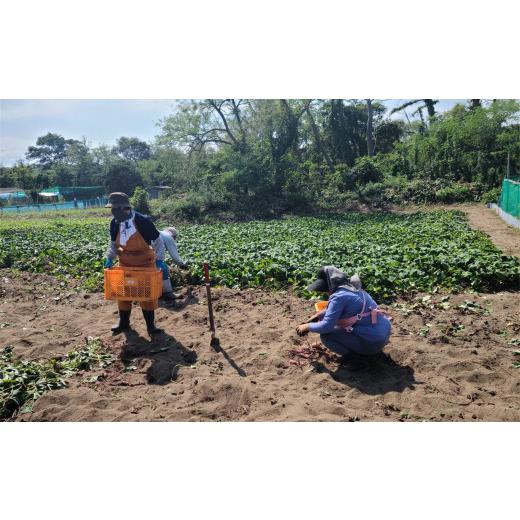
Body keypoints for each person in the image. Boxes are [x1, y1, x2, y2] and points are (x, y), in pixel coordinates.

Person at [296, 265, 391, 363]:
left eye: (324, 289)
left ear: (329, 286)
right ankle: (363, 351)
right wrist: (317, 316)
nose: (324, 293)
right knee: (338, 326)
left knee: (326, 336)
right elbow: (334, 310)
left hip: (373, 343)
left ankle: (356, 359)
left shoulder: (338, 297)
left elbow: (326, 326)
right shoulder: (351, 288)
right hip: (383, 334)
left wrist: (308, 326)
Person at [103, 192, 167, 336]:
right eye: (112, 209)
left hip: (144, 262)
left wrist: (160, 259)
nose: (113, 212)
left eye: (115, 209)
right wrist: (110, 257)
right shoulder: (114, 223)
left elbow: (158, 241)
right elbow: (114, 244)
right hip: (125, 262)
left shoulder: (142, 221)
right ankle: (124, 323)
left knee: (147, 295)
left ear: (125, 208)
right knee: (124, 294)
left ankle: (151, 327)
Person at [158, 226, 188, 303]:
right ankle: (168, 293)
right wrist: (182, 264)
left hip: (141, 258)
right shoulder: (168, 236)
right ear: (174, 236)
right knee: (164, 268)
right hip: (152, 260)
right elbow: (174, 257)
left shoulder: (160, 234)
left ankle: (157, 291)